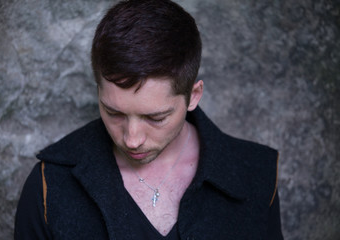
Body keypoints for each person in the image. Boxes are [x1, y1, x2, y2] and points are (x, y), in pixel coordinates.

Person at [14, 0, 283, 239]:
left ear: (193, 95)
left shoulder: (257, 176)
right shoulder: (50, 184)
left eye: (155, 118)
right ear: (98, 92)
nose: (132, 139)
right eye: (114, 112)